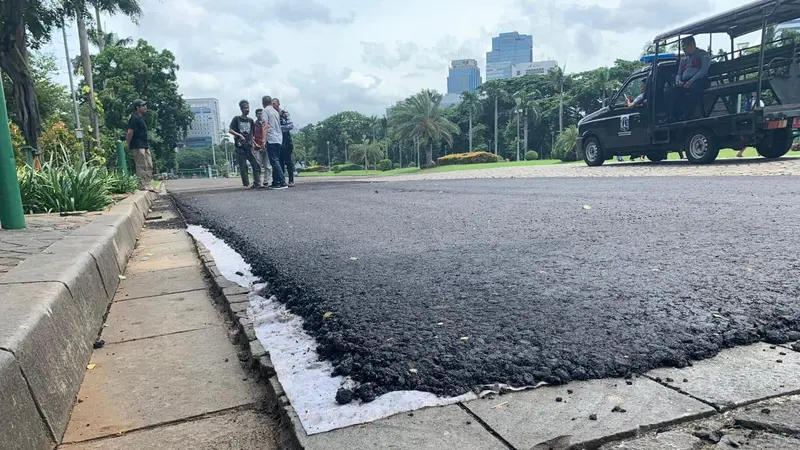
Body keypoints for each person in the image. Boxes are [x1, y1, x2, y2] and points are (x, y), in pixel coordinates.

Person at [665, 36, 711, 121]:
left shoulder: (702, 54)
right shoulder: (683, 59)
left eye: (684, 47)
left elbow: (703, 70)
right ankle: (673, 116)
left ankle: (689, 115)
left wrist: (691, 81)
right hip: (685, 82)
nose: (683, 50)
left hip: (700, 80)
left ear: (691, 45)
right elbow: (679, 73)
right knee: (670, 92)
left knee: (694, 88)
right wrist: (678, 81)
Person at [229, 100, 262, 189]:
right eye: (245, 108)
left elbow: (252, 134)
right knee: (243, 166)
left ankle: (257, 182)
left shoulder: (251, 121)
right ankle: (246, 184)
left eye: (248, 108)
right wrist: (239, 135)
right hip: (240, 146)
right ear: (241, 109)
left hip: (249, 145)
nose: (247, 110)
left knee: (255, 164)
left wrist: (255, 144)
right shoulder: (236, 119)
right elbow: (230, 130)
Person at [126, 99, 156, 192]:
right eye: (143, 106)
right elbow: (130, 132)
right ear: (137, 108)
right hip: (138, 145)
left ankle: (148, 183)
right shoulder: (134, 118)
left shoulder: (141, 118)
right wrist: (128, 143)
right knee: (141, 165)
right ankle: (142, 185)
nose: (145, 107)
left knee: (149, 164)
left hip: (145, 144)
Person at [262, 95, 287, 189]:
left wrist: (263, 140)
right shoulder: (275, 111)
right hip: (278, 138)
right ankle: (276, 181)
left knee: (274, 161)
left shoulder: (265, 111)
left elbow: (265, 125)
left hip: (271, 138)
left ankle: (282, 181)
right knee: (275, 160)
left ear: (263, 103)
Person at [273, 98, 295, 187]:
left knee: (288, 161)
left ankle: (291, 180)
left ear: (278, 104)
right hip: (276, 140)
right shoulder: (271, 115)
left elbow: (291, 125)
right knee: (280, 161)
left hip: (285, 139)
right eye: (272, 104)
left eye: (274, 104)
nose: (273, 106)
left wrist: (279, 128)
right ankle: (282, 181)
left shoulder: (285, 113)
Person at [737, 93, 766, 157]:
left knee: (751, 138)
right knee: (751, 138)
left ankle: (741, 153)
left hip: (754, 121)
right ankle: (758, 153)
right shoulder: (751, 102)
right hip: (752, 122)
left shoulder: (757, 101)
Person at [253, 108, 271, 185]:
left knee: (267, 165)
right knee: (257, 165)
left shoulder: (267, 124)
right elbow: (251, 136)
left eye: (261, 113)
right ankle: (257, 181)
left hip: (266, 147)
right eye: (258, 114)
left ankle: (266, 180)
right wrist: (256, 144)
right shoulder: (253, 125)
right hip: (257, 147)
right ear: (256, 115)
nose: (260, 115)